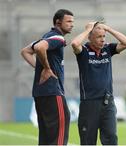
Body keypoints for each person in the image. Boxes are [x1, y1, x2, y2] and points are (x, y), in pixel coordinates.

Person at [71, 21, 126, 145]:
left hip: (107, 103)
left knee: (111, 139)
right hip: (89, 104)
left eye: (104, 36)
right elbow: (74, 43)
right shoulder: (84, 51)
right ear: (90, 37)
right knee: (88, 141)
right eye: (99, 36)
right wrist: (88, 29)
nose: (103, 39)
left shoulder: (107, 49)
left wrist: (108, 29)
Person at [21, 9, 74, 145]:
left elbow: (25, 51)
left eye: (72, 21)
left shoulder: (47, 36)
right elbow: (39, 48)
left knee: (46, 139)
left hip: (40, 94)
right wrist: (46, 68)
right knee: (58, 137)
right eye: (68, 21)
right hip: (53, 92)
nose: (72, 24)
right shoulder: (58, 37)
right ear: (58, 22)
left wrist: (40, 67)